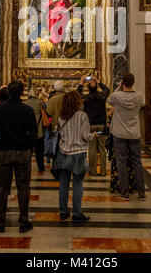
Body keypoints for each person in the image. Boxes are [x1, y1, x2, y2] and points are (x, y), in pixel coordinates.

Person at [0, 80, 37, 233]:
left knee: (2, 187)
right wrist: (27, 143)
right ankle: (23, 221)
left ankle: (0, 221)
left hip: (4, 151)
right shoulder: (27, 110)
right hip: (23, 151)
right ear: (22, 93)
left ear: (8, 92)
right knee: (23, 187)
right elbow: (34, 133)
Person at [54, 90, 97, 222]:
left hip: (64, 152)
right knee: (78, 183)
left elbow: (60, 134)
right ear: (78, 102)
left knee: (63, 184)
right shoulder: (83, 116)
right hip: (78, 153)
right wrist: (93, 135)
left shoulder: (62, 117)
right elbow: (85, 136)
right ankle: (77, 214)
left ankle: (63, 211)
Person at [108, 73, 145, 200]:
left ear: (123, 82)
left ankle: (124, 192)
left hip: (119, 133)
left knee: (121, 161)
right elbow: (140, 107)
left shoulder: (117, 96)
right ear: (133, 82)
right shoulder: (139, 96)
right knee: (137, 161)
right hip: (134, 132)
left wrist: (119, 87)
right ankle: (141, 192)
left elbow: (109, 101)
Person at [77, 76, 110, 176]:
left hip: (91, 126)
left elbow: (77, 94)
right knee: (101, 148)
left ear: (88, 88)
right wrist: (98, 81)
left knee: (92, 148)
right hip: (100, 126)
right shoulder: (102, 96)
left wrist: (81, 82)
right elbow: (107, 90)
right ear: (96, 88)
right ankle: (103, 170)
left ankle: (93, 170)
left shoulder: (86, 98)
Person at [106, 107, 136, 195]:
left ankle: (118, 186)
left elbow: (110, 123)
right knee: (129, 163)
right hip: (129, 139)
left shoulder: (115, 111)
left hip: (118, 140)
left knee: (118, 163)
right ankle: (130, 186)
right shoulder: (130, 111)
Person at [26, 88, 45, 173]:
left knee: (28, 150)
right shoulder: (40, 102)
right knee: (39, 151)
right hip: (39, 130)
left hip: (28, 131)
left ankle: (27, 166)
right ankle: (41, 167)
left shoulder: (25, 103)